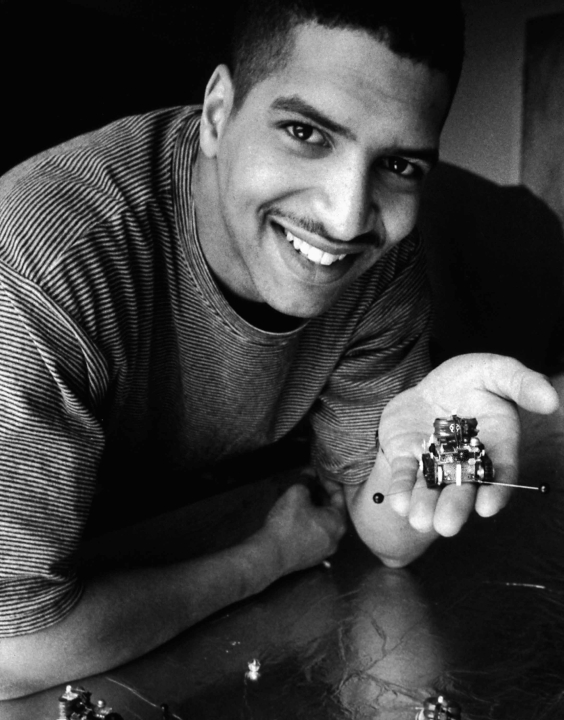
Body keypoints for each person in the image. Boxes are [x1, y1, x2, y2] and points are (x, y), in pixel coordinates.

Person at [0, 0, 558, 699]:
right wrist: (263, 559)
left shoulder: (382, 264)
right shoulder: (37, 266)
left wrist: (425, 458)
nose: (346, 215)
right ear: (215, 112)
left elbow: (386, 529)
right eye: (305, 132)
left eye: (399, 165)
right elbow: (13, 652)